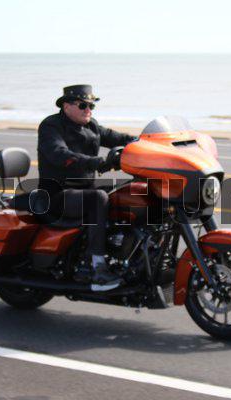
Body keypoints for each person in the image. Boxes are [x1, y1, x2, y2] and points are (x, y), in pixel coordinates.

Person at [37, 84, 135, 291]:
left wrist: (146, 142)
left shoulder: (92, 126)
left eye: (91, 105)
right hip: (57, 194)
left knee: (131, 190)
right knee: (98, 198)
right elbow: (59, 154)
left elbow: (119, 138)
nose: (88, 109)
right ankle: (96, 267)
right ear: (66, 106)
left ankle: (128, 252)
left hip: (84, 188)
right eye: (83, 105)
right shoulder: (51, 126)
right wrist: (98, 162)